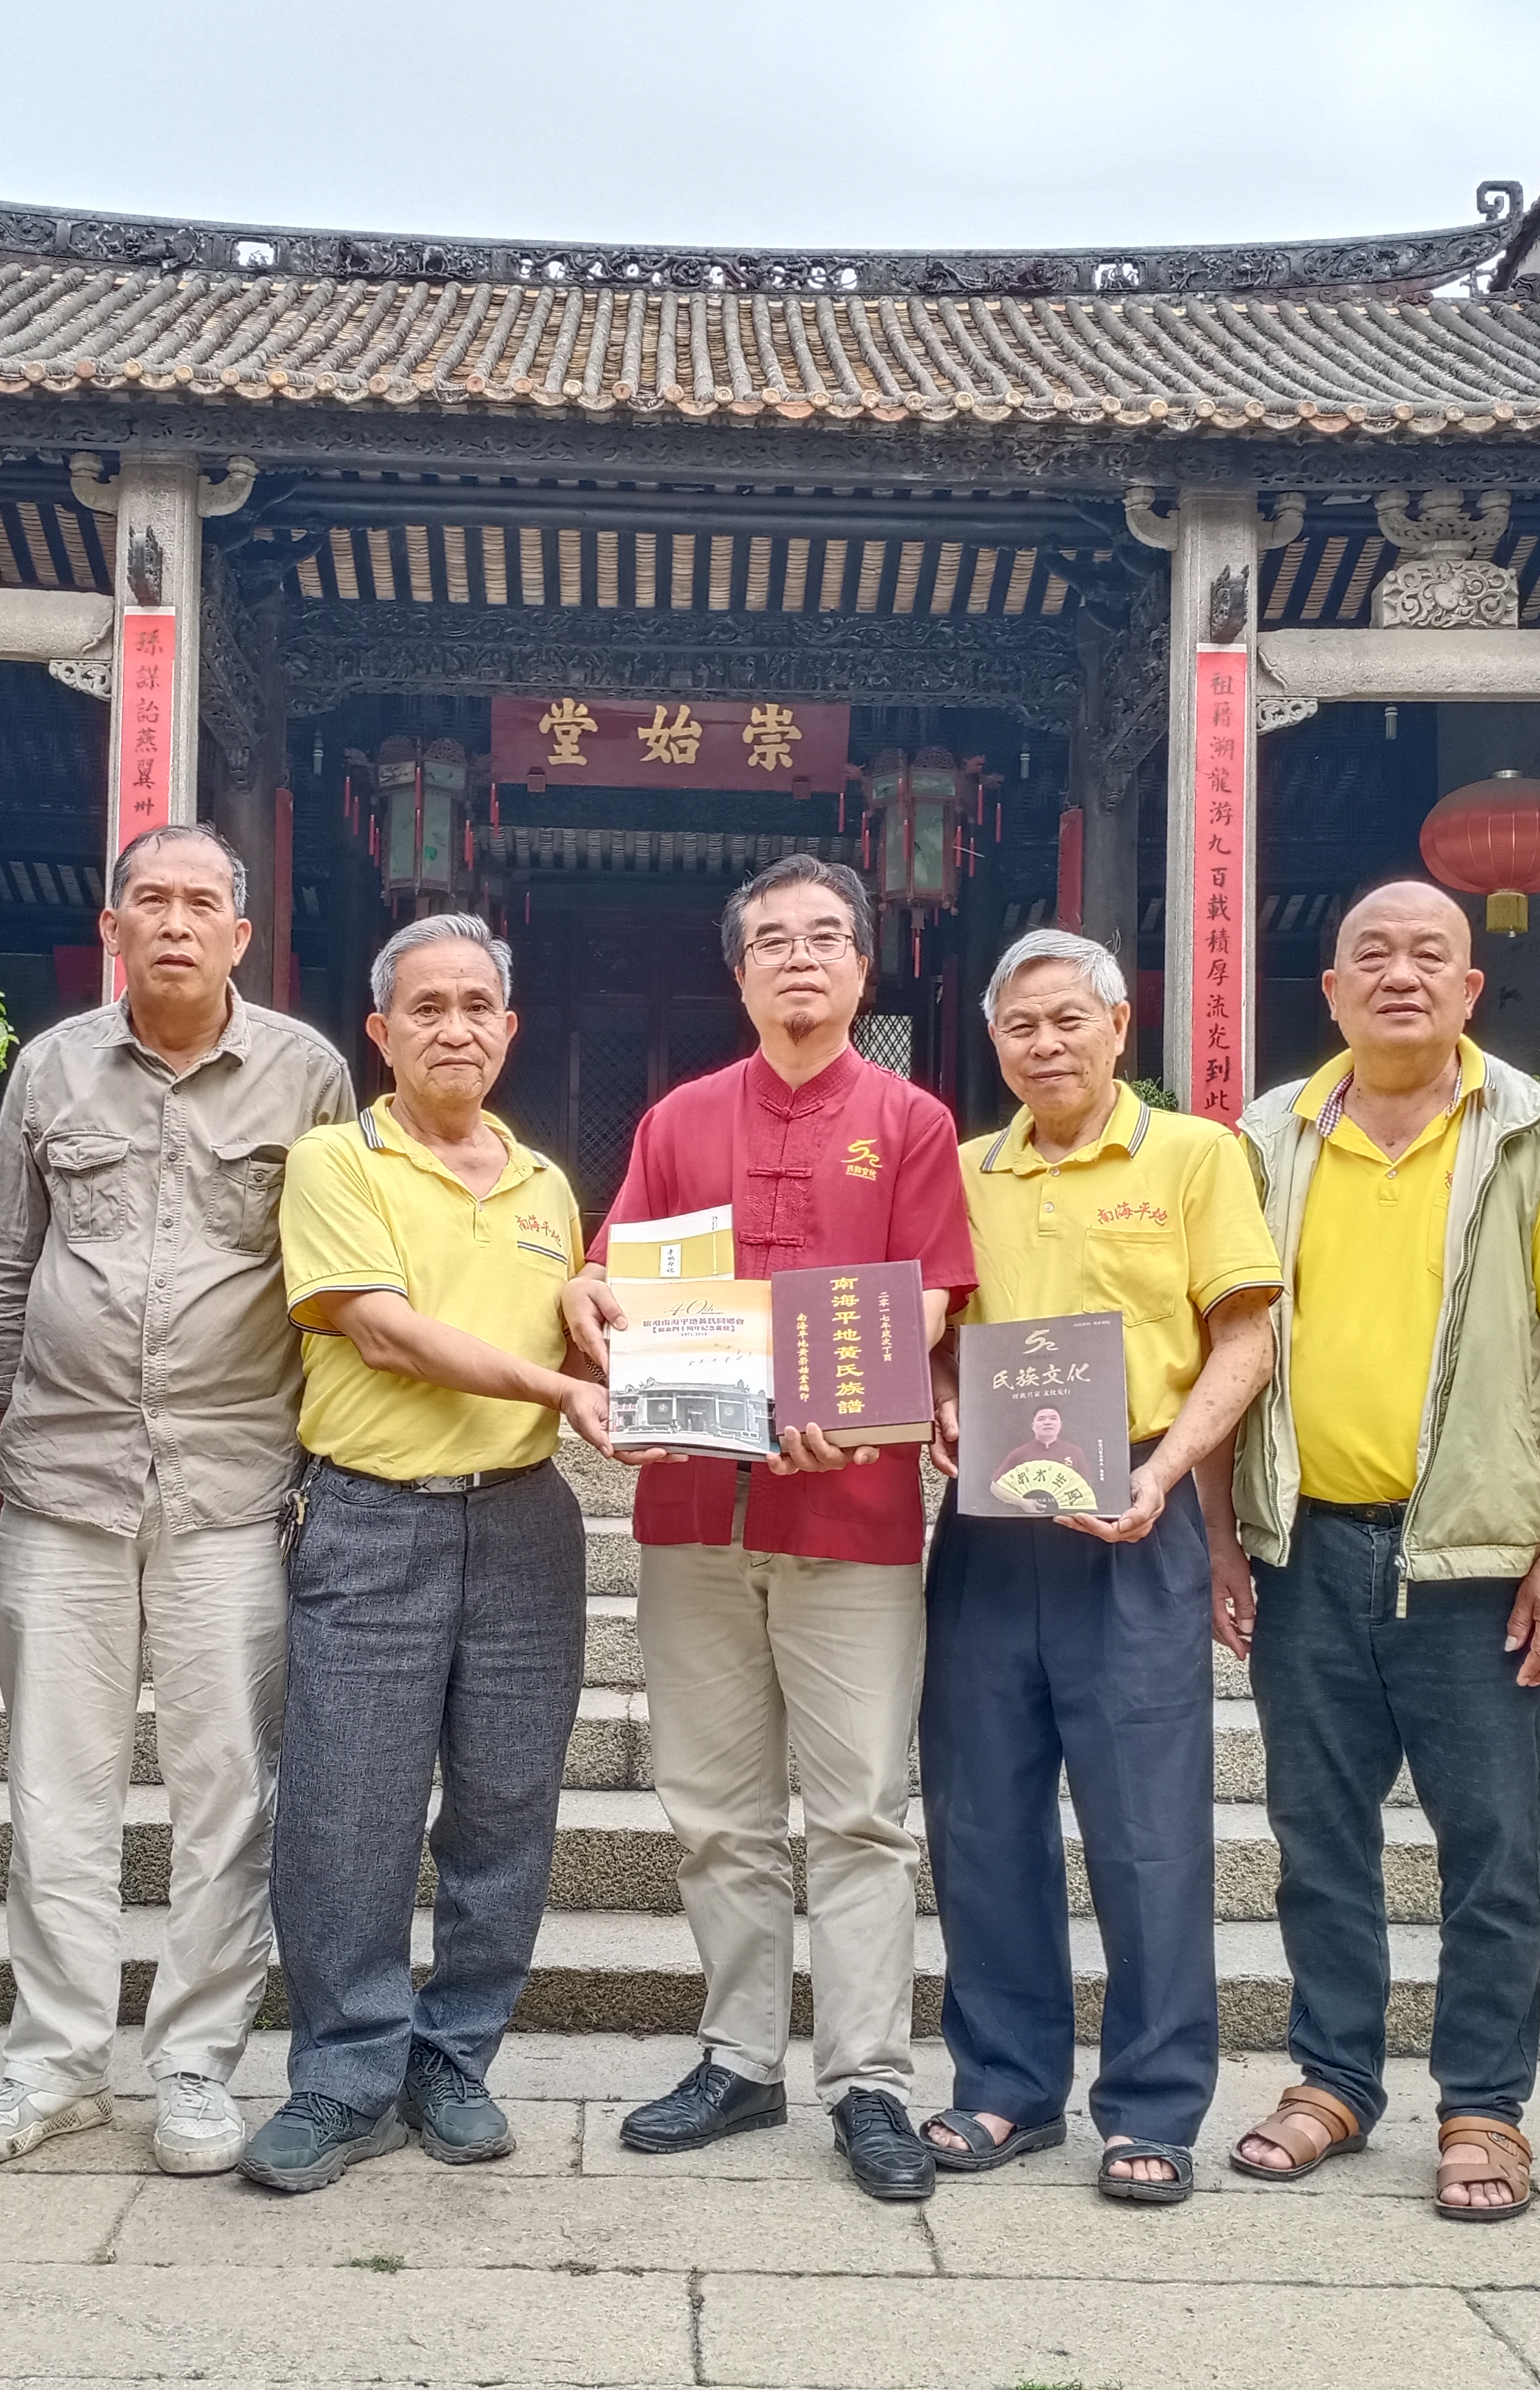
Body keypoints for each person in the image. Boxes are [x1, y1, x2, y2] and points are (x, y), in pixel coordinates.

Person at [564, 854, 978, 2203]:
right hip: (693, 1507)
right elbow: (621, 1271)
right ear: (739, 973)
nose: (801, 959)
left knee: (859, 1813)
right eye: (774, 942)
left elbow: (930, 1299)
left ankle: (869, 2081)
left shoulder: (911, 1121)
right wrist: (587, 1297)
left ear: (863, 966)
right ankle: (738, 2057)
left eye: (826, 938)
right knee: (715, 1809)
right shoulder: (679, 1120)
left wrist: (846, 1403)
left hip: (852, 1509)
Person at [0, 824, 353, 2178]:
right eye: (152, 901)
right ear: (112, 925)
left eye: (202, 904)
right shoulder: (52, 1068)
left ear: (241, 933)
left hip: (233, 1487)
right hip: (62, 1482)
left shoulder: (308, 1074)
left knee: (224, 1794)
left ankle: (194, 2065)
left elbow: (330, 1277)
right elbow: (9, 1262)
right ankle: (54, 2062)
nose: (176, 923)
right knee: (54, 1789)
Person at [1225, 881, 1540, 2223]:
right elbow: (1224, 1345)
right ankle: (1334, 2080)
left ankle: (1484, 2110)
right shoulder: (1266, 1139)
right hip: (1306, 1550)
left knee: (1494, 1849)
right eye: (1373, 955)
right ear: (1332, 991)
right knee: (1316, 1838)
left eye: (1429, 956)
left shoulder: (1537, 1137)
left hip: (1476, 1560)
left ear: (1469, 990)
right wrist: (1223, 1533)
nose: (1400, 975)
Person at [240, 915, 608, 2192]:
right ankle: (343, 2076)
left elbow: (573, 1324)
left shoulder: (546, 1184)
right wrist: (561, 1389)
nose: (455, 1027)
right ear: (381, 1032)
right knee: (348, 1808)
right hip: (371, 1517)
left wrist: (602, 1330)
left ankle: (452, 2059)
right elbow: (384, 1332)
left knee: (508, 1805)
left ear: (510, 1029)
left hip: (524, 1523)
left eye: (477, 1006)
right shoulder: (336, 1160)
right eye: (427, 1007)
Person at [921, 932, 1279, 2203]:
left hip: (1137, 1503)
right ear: (996, 1042)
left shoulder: (1193, 1156)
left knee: (1148, 1828)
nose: (1046, 1044)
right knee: (980, 1815)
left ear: (1121, 1027)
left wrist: (1168, 1472)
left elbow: (1245, 1336)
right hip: (989, 1517)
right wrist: (942, 1395)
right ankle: (1006, 2085)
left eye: (1069, 1019)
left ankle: (1154, 2104)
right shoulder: (964, 1169)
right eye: (1021, 1025)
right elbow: (938, 1331)